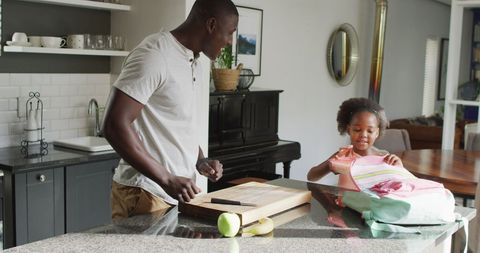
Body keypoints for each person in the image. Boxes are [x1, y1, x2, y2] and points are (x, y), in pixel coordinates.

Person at [103, 0, 239, 219]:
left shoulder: (194, 60)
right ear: (212, 25)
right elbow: (113, 125)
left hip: (175, 194)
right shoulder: (155, 54)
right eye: (230, 33)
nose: (230, 42)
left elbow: (175, 122)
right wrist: (167, 178)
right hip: (145, 193)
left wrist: (200, 160)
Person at [307, 97, 403, 182]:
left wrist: (399, 168)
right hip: (347, 201)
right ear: (349, 129)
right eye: (357, 130)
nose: (363, 135)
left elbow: (400, 183)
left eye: (370, 131)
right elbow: (311, 177)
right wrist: (330, 165)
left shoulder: (384, 156)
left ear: (377, 133)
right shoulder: (343, 156)